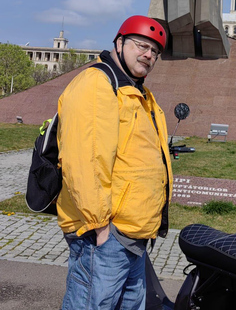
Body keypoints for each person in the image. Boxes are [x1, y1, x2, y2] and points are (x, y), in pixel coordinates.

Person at [57, 15, 173, 310]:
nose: (148, 54)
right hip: (107, 235)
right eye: (141, 45)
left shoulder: (138, 92)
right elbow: (86, 160)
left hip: (133, 236)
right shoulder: (98, 84)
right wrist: (100, 226)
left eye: (155, 51)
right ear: (119, 43)